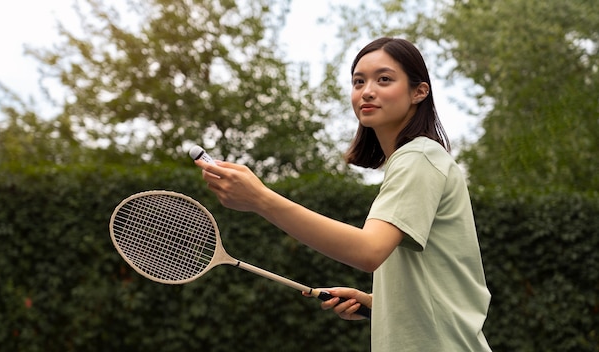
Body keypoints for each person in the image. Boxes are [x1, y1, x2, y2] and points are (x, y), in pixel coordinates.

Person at [195, 37, 491, 351]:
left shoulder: (418, 157)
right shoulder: (417, 160)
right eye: (358, 81)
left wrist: (261, 199)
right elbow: (437, 277)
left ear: (419, 92)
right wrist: (377, 303)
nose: (367, 91)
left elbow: (369, 251)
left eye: (384, 79)